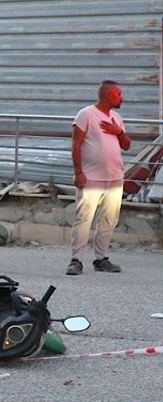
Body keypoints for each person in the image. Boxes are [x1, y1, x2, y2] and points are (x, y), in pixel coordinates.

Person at [67, 80, 131, 276]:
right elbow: (76, 144)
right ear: (109, 95)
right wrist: (78, 172)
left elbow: (127, 145)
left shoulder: (117, 118)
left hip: (114, 178)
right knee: (84, 218)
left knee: (109, 219)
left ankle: (101, 258)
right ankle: (76, 260)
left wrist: (118, 132)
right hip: (91, 178)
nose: (122, 97)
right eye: (119, 94)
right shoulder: (86, 114)